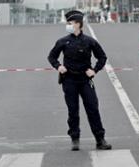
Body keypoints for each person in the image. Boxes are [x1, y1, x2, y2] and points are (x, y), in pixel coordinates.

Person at [47, 10, 112, 151]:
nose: (68, 25)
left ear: (78, 24)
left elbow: (102, 57)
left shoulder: (89, 41)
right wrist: (59, 66)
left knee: (93, 108)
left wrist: (94, 70)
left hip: (85, 80)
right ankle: (75, 139)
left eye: (70, 23)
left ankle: (100, 139)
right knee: (73, 110)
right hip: (69, 80)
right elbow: (52, 57)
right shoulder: (63, 41)